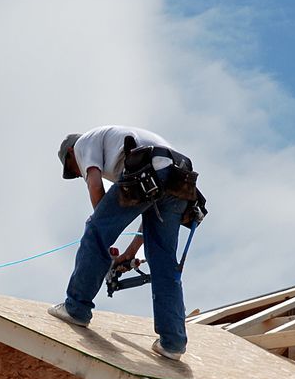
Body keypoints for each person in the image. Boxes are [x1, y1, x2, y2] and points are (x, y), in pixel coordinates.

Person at [49, 125, 195, 360]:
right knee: (164, 263)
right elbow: (149, 218)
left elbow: (95, 186)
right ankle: (173, 343)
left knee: (94, 230)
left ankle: (76, 308)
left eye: (73, 170)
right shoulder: (116, 145)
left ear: (70, 154)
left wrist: (104, 233)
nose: (78, 174)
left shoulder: (83, 144)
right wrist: (130, 251)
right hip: (179, 178)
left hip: (151, 169)